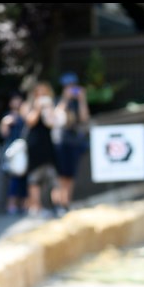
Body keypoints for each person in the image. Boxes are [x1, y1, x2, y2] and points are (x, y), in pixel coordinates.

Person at [53, 72, 91, 216]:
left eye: (73, 86)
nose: (71, 89)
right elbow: (57, 117)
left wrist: (82, 99)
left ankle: (66, 203)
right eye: (68, 86)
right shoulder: (58, 100)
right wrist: (65, 99)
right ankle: (58, 204)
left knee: (70, 175)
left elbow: (84, 118)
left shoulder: (77, 102)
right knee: (60, 175)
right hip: (61, 141)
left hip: (74, 142)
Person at [20, 81, 59, 218]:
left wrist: (48, 109)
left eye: (44, 93)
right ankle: (35, 207)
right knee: (34, 178)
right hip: (34, 145)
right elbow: (30, 121)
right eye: (39, 93)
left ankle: (56, 206)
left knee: (52, 176)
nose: (41, 96)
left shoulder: (50, 105)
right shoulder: (27, 106)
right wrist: (37, 108)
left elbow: (52, 123)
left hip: (47, 145)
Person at [0, 90, 28, 215]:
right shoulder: (7, 117)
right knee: (14, 179)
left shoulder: (25, 115)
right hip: (12, 151)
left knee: (25, 179)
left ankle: (24, 205)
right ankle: (11, 205)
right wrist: (4, 123)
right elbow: (3, 134)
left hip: (24, 149)